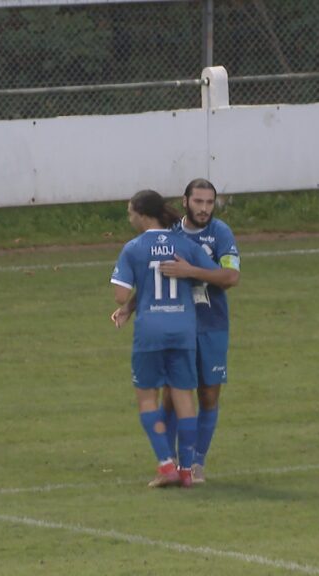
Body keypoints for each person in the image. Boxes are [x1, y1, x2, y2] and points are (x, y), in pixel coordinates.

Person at [110, 189, 220, 488]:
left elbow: (120, 294)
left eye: (130, 213)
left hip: (151, 332)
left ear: (142, 215)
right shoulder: (183, 243)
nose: (130, 218)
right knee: (184, 396)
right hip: (183, 328)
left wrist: (128, 302)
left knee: (148, 396)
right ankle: (186, 469)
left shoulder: (133, 248)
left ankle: (165, 464)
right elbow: (212, 275)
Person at [159, 178, 240, 484]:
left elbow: (231, 277)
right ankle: (169, 464)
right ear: (185, 201)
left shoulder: (220, 233)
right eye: (199, 202)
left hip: (212, 325)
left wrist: (191, 271)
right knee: (172, 393)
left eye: (209, 203)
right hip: (176, 325)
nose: (204, 209)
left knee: (208, 394)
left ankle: (196, 464)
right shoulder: (169, 234)